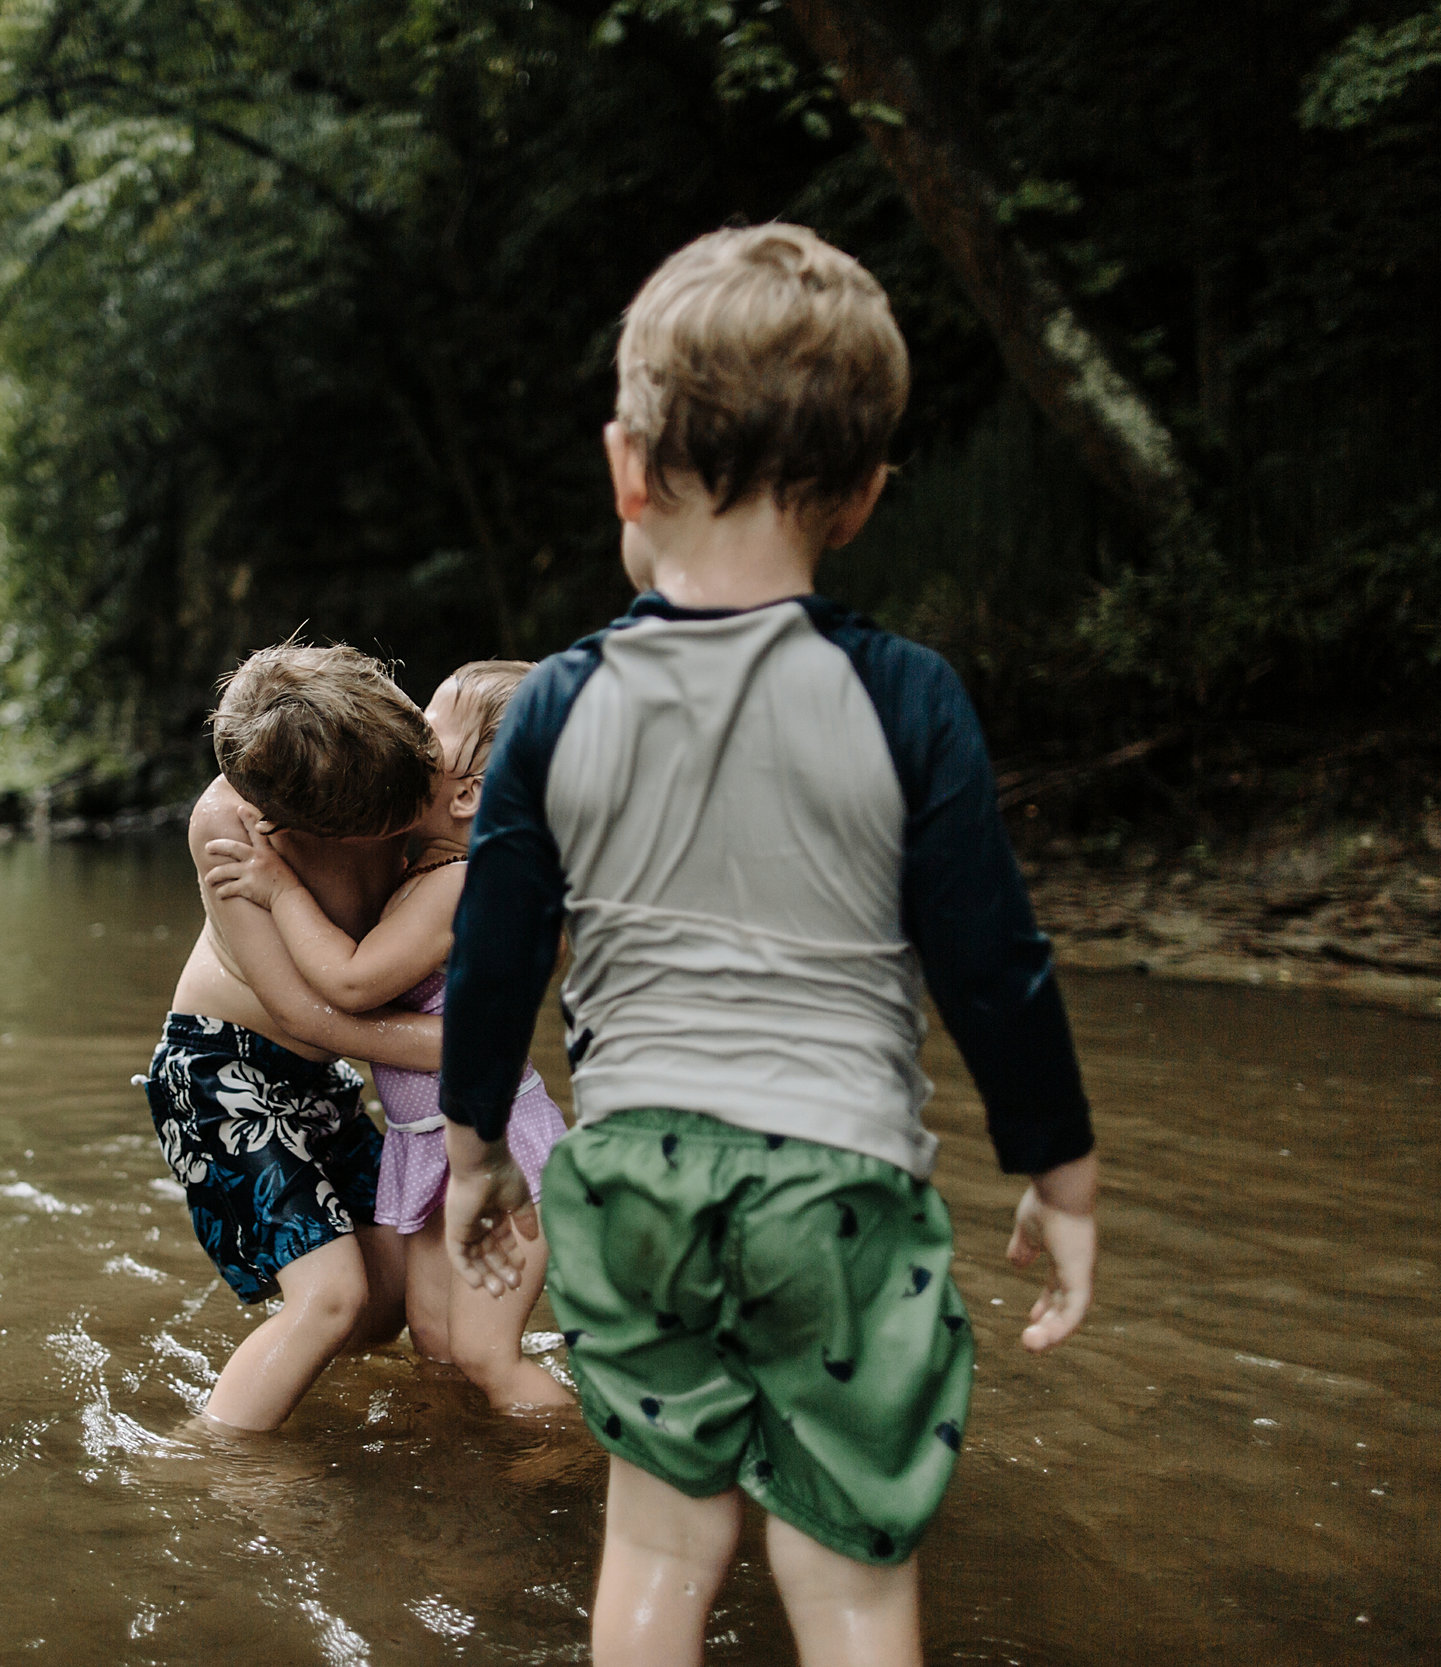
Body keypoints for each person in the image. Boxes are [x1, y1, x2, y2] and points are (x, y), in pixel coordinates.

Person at [437, 223, 1102, 1667]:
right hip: (840, 1186)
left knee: (661, 1545)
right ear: (864, 498)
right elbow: (994, 960)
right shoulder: (905, 698)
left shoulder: (553, 706)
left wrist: (476, 1143)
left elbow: (494, 954)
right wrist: (1061, 1168)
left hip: (633, 1180)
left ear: (627, 466)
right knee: (852, 1578)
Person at [202, 660, 575, 1412]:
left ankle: (571, 1465)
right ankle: (470, 1474)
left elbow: (348, 983)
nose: (410, 731)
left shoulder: (459, 878)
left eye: (429, 725)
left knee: (483, 1354)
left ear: (468, 793)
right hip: (429, 1139)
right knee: (436, 1345)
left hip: (489, 1139)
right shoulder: (433, 858)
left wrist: (280, 887)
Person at [143, 641, 447, 1432]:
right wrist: (464, 1049)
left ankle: (297, 1360)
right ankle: (216, 1461)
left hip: (317, 1078)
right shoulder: (230, 826)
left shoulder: (390, 752)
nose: (409, 822)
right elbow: (309, 1013)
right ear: (293, 823)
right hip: (221, 1070)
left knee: (390, 1302)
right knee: (333, 1296)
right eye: (386, 823)